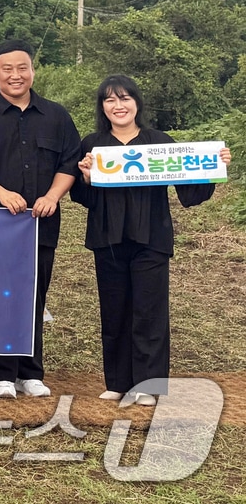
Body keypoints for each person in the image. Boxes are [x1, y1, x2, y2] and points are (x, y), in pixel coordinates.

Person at [70, 75, 231, 406]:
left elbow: (191, 190)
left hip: (151, 240)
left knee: (149, 313)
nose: (119, 105)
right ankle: (117, 381)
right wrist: (86, 178)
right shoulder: (92, 145)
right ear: (103, 107)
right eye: (111, 100)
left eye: (126, 98)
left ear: (137, 103)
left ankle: (148, 384)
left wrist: (214, 167)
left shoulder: (160, 142)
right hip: (108, 240)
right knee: (114, 311)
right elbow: (82, 197)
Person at [0, 39, 81, 399]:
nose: (15, 75)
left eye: (21, 67)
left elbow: (69, 163)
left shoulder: (56, 116)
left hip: (40, 226)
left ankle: (30, 371)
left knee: (33, 298)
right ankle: (0, 374)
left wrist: (52, 196)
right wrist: (1, 193)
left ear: (32, 71)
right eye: (7, 69)